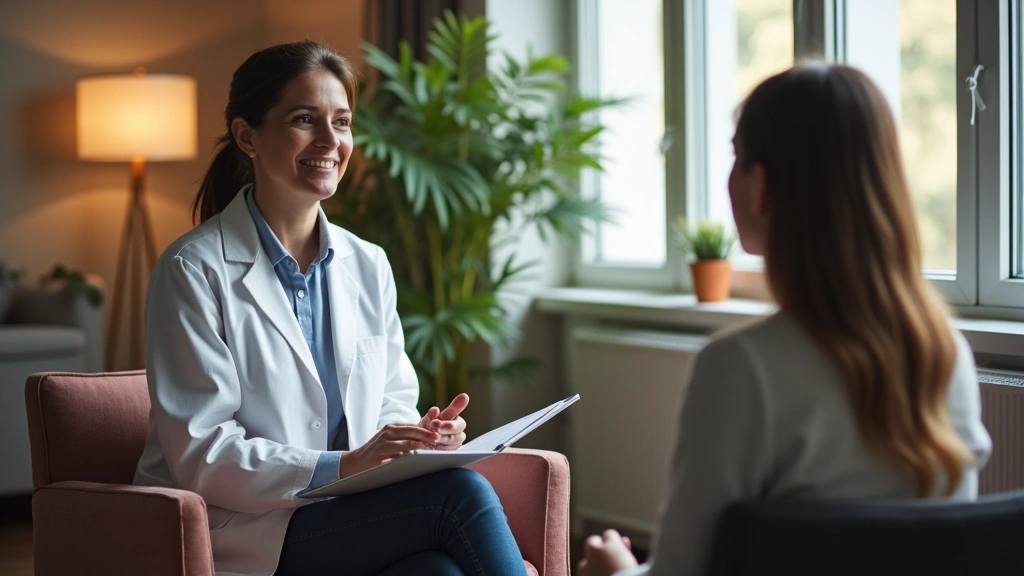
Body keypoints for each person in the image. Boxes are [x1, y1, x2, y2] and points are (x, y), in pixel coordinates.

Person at [578, 63, 993, 576]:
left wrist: (616, 569)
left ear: (761, 187)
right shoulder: (945, 354)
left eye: (735, 154)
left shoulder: (739, 367)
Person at [133, 40, 527, 576]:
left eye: (341, 122)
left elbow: (390, 398)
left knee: (438, 572)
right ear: (247, 136)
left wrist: (416, 436)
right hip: (243, 526)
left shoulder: (368, 263)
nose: (329, 141)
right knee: (458, 494)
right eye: (304, 119)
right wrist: (341, 465)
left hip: (345, 515)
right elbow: (204, 451)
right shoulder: (192, 270)